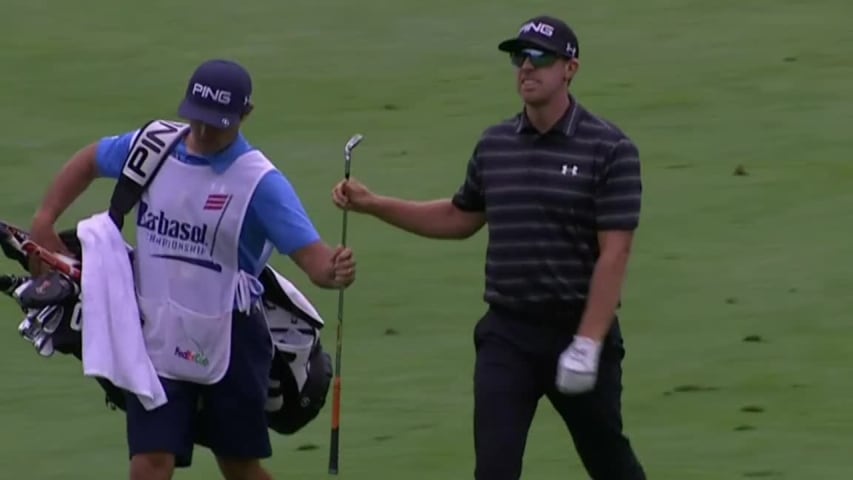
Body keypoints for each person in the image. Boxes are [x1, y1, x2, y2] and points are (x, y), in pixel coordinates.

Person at [331, 15, 646, 480]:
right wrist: (375, 204)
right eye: (520, 57)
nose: (526, 68)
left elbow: (614, 253)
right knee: (494, 470)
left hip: (577, 331)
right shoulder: (496, 145)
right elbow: (460, 217)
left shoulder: (610, 149)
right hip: (508, 335)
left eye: (540, 57)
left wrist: (587, 341)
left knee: (609, 463)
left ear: (570, 69)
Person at [28, 58, 356, 480]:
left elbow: (316, 263)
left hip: (232, 341)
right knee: (150, 463)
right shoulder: (154, 146)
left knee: (239, 467)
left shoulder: (261, 183)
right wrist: (44, 220)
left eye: (217, 124)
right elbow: (90, 159)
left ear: (245, 115)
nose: (203, 132)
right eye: (197, 120)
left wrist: (336, 269)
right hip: (155, 336)